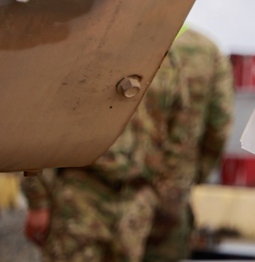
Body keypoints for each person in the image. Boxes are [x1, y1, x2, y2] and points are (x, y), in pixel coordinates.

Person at [22, 46, 188, 262]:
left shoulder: (168, 59)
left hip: (137, 198)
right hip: (81, 192)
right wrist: (38, 199)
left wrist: (161, 194)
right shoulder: (85, 47)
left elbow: (180, 132)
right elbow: (38, 125)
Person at [143, 27, 234, 262]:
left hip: (110, 187)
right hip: (172, 190)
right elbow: (219, 124)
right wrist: (197, 173)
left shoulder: (128, 38)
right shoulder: (207, 50)